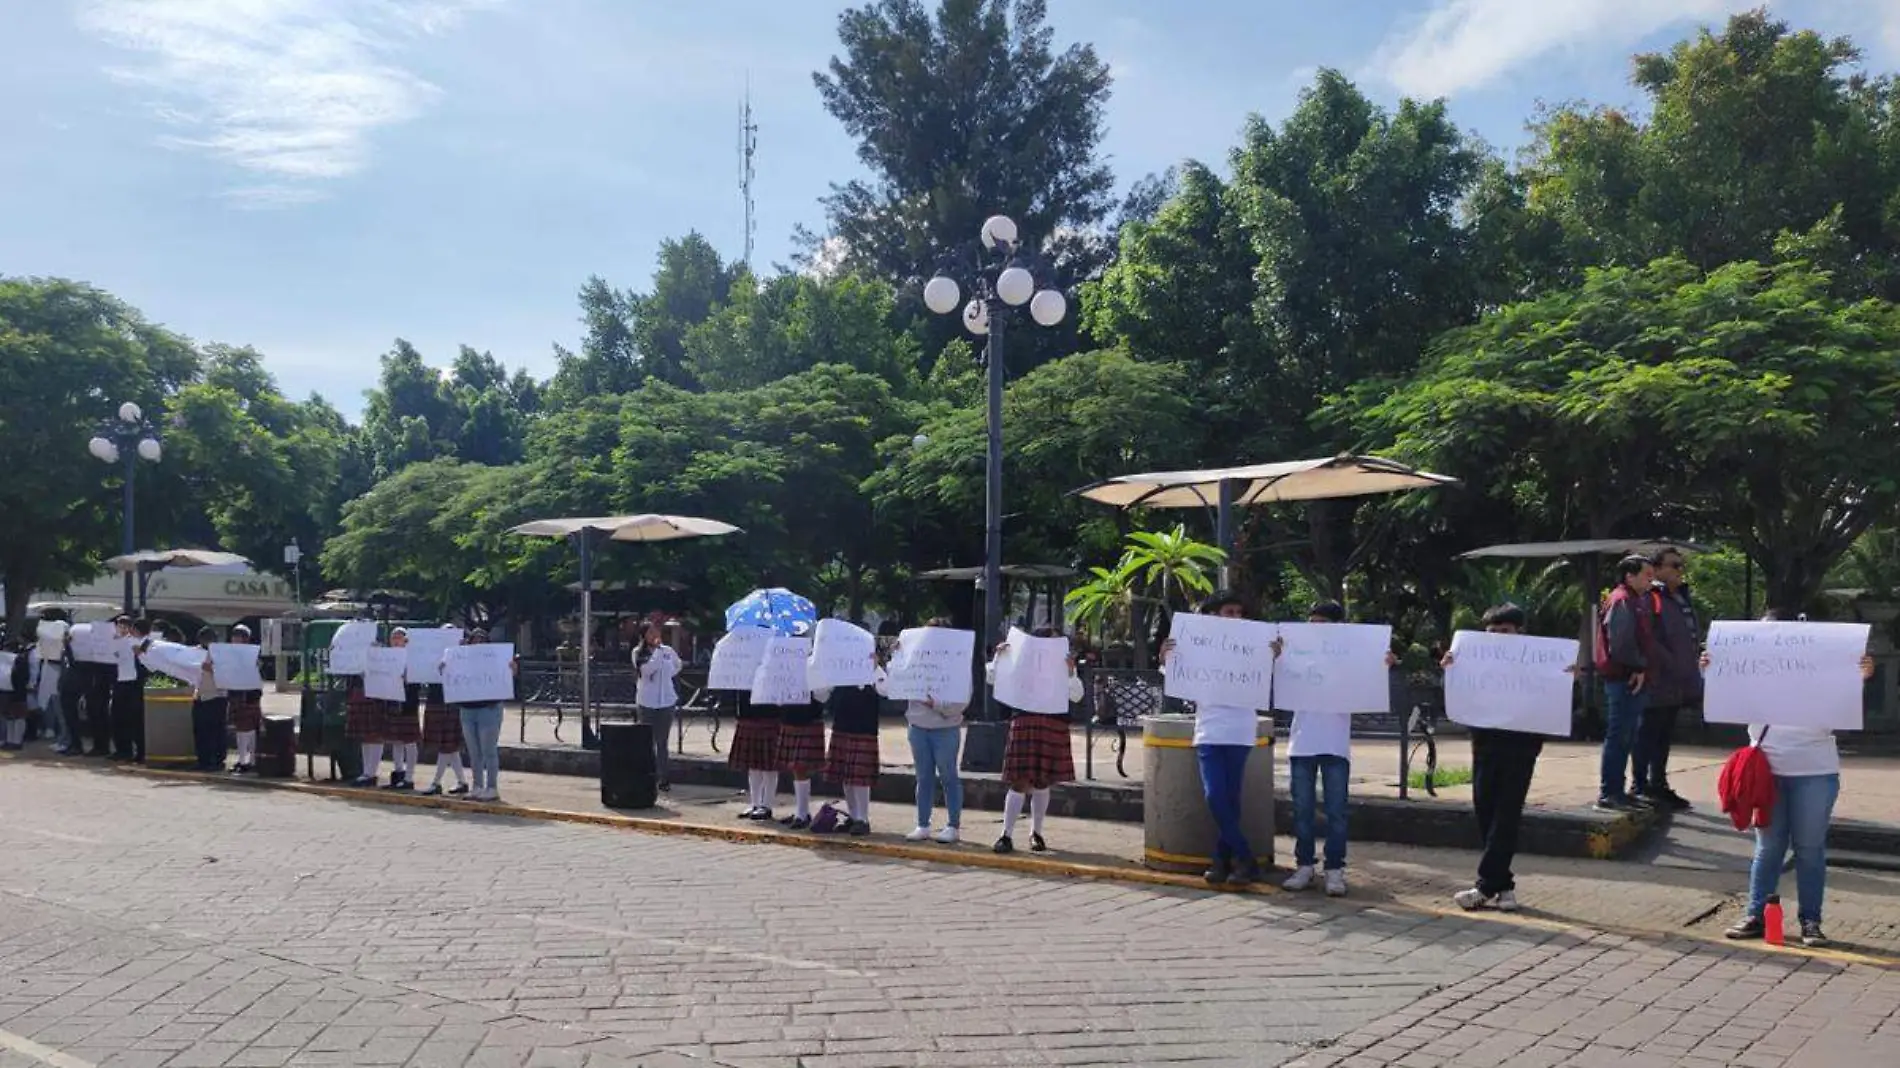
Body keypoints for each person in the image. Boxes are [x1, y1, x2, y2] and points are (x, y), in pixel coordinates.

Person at [1720, 617, 1874, 949]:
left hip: (1815, 772)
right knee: (1769, 848)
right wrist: (1710, 667)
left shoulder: (1822, 673)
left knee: (1809, 848)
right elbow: (1722, 693)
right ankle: (1755, 914)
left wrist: (1859, 677)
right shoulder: (1752, 673)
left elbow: (1844, 705)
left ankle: (1811, 920)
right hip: (1769, 772)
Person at [1443, 604, 1577, 912]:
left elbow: (1563, 701)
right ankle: (1503, 887)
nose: (1498, 638)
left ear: (1520, 632)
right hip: (1485, 744)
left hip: (1522, 747)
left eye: (1505, 632)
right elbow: (1457, 698)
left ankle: (1485, 885)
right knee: (1485, 810)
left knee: (1506, 814)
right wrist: (1451, 670)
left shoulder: (1538, 659)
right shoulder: (1476, 660)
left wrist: (1568, 679)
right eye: (1492, 632)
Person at [1282, 600, 1395, 898]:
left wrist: (1383, 664)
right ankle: (1304, 865)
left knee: (1336, 811)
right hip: (1302, 742)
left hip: (1335, 744)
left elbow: (1371, 680)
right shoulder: (1295, 652)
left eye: (1323, 623)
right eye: (1313, 623)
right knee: (1302, 810)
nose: (1316, 629)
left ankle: (1334, 869)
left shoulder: (1352, 657)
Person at [1158, 591, 1265, 887]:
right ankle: (1244, 858)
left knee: (1230, 799)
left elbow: (1273, 676)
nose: (1235, 618)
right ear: (1215, 616)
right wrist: (1166, 658)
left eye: (1238, 612)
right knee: (1215, 795)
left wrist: (1273, 656)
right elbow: (1179, 683)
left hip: (1241, 730)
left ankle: (1221, 860)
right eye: (1229, 612)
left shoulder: (1254, 644)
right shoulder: (1198, 645)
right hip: (1209, 731)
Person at [991, 627, 1086, 855]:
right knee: (1019, 781)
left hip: (1053, 723)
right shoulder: (1019, 660)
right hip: (1025, 721)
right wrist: (999, 658)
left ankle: (1036, 833)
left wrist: (1071, 673)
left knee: (1043, 782)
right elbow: (993, 679)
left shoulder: (1065, 665)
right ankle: (1006, 834)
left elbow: (1077, 695)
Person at [1635, 547, 1699, 811]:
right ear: (1658, 568)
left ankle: (1658, 783)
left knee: (1664, 735)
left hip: (1678, 680)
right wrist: (1669, 661)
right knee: (1648, 733)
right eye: (1674, 565)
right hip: (1658, 678)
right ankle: (1640, 786)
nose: (1679, 571)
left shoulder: (1681, 597)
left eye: (1681, 565)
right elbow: (1647, 636)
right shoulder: (1652, 597)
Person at [1595, 555, 1658, 811]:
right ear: (1629, 576)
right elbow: (1620, 643)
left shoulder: (1635, 600)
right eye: (1646, 574)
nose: (1650, 579)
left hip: (1629, 677)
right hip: (1624, 678)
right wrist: (1638, 667)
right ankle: (1610, 791)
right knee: (1619, 735)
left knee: (1627, 735)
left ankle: (1617, 789)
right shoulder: (1622, 601)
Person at [902, 619, 967, 844]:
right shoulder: (914, 660)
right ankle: (922, 824)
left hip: (945, 730)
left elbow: (960, 703)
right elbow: (896, 683)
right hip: (918, 728)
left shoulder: (958, 665)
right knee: (923, 777)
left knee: (949, 776)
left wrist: (936, 704)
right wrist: (898, 657)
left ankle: (953, 825)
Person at [820, 652, 884, 837]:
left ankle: (863, 819)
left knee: (860, 779)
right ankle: (854, 816)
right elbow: (821, 694)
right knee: (846, 777)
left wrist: (875, 667)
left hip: (864, 730)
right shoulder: (840, 671)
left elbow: (887, 690)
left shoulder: (875, 673)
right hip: (842, 727)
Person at [450, 628, 514, 803]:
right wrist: (446, 665)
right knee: (473, 751)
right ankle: (477, 786)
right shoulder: (462, 660)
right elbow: (450, 674)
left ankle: (492, 788)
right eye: (474, 640)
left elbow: (508, 675)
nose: (478, 642)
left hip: (489, 708)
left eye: (482, 640)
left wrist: (512, 669)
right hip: (467, 709)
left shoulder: (495, 659)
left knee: (488, 750)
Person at [633, 623, 681, 792]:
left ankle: (663, 777)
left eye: (656, 631)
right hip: (647, 702)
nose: (654, 634)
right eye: (650, 632)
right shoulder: (639, 653)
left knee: (662, 742)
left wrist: (668, 672)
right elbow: (647, 670)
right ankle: (646, 775)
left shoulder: (668, 650)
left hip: (666, 701)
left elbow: (677, 665)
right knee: (647, 741)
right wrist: (658, 653)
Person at [775, 691, 828, 830]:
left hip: (809, 719)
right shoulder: (786, 669)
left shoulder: (816, 669)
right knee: (795, 768)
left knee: (799, 767)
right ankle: (801, 811)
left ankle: (802, 814)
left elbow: (824, 695)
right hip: (789, 718)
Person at [381, 628, 421, 790]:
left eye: (399, 638)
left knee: (409, 741)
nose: (396, 641)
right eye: (393, 638)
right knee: (396, 740)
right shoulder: (386, 658)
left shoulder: (413, 658)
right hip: (392, 701)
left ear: (406, 641)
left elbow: (419, 680)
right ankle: (398, 773)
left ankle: (409, 777)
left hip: (408, 702)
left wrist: (408, 677)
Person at [418, 674, 468, 797]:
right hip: (437, 698)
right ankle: (462, 782)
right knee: (450, 747)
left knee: (446, 745)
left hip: (449, 699)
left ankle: (436, 783)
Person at [225, 624, 264, 774]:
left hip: (250, 693)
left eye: (239, 636)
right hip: (236, 693)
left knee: (250, 727)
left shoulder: (253, 653)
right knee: (241, 728)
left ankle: (250, 760)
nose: (235, 639)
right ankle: (243, 760)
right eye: (234, 636)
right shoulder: (230, 654)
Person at [189, 627, 228, 771]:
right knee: (200, 730)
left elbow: (228, 672)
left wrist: (212, 669)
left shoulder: (222, 653)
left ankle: (217, 760)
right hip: (200, 694)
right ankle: (203, 760)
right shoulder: (195, 652)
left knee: (215, 730)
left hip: (217, 695)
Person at [34, 611, 70, 751]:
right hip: (51, 667)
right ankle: (61, 737)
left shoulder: (61, 627)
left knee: (60, 707)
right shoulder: (49, 631)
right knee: (55, 705)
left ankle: (64, 739)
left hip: (58, 669)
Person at [2, 640, 30, 750]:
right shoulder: (21, 659)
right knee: (15, 717)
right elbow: (25, 677)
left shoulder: (16, 660)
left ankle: (13, 741)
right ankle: (14, 741)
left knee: (13, 717)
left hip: (9, 691)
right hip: (17, 691)